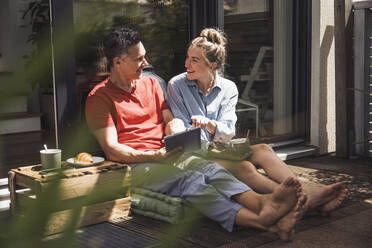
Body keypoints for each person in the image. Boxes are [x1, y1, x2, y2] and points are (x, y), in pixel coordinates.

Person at [85, 27, 306, 240]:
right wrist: (155, 156)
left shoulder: (150, 84)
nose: (146, 63)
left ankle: (264, 206)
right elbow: (112, 149)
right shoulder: (99, 98)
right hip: (136, 165)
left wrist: (176, 127)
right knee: (190, 182)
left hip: (166, 153)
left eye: (145, 56)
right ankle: (265, 221)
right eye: (139, 59)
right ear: (117, 62)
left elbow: (169, 118)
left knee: (212, 171)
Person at [167, 27, 347, 216]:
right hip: (196, 154)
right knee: (245, 167)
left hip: (221, 149)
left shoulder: (229, 88)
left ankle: (304, 194)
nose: (186, 63)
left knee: (263, 150)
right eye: (188, 57)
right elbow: (183, 134)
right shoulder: (176, 85)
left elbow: (228, 131)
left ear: (212, 65)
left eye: (194, 60)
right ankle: (301, 198)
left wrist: (210, 125)